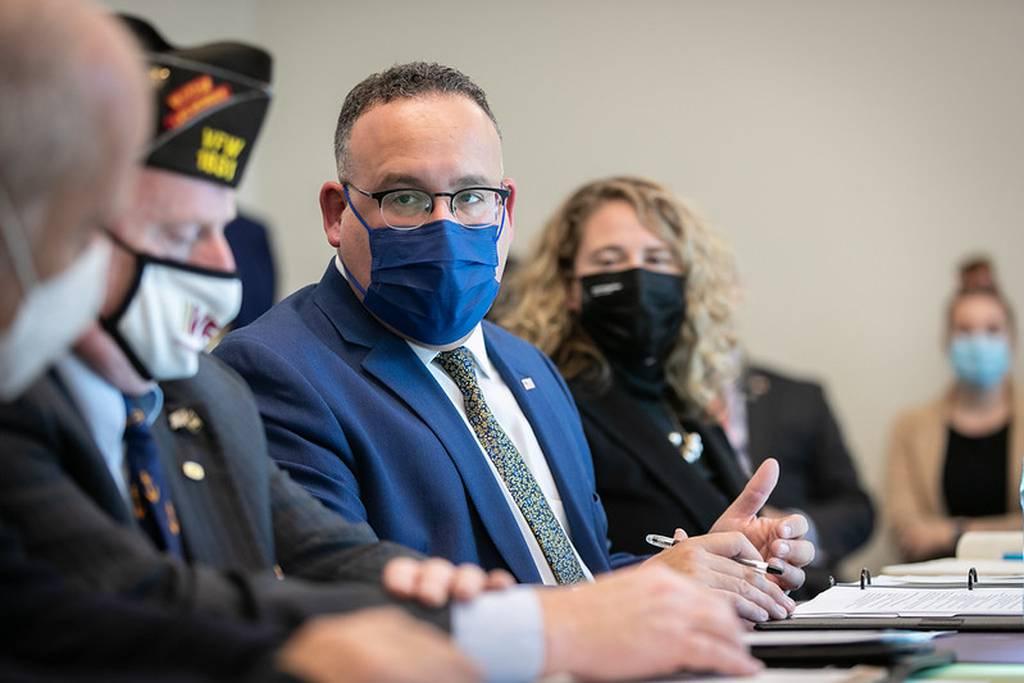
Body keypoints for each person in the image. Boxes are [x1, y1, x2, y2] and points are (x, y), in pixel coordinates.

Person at [0, 19, 760, 683]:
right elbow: (148, 600)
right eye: (405, 198)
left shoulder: (202, 396)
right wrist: (548, 627)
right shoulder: (254, 372)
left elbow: (345, 559)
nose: (224, 273)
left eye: (469, 197)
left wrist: (665, 586)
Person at [215, 63, 812, 623]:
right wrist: (643, 592)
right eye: (406, 198)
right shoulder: (274, 370)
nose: (445, 226)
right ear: (336, 212)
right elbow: (358, 612)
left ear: (506, 210)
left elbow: (577, 575)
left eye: (472, 197)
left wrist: (707, 569)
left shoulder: (529, 366)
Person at [0, 4, 478, 682]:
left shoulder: (208, 390)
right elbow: (133, 600)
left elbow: (325, 547)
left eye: (221, 227)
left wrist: (475, 606)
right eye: (175, 234)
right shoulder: (19, 409)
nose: (223, 271)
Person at [495, 176, 753, 546]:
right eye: (609, 260)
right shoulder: (550, 404)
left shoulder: (684, 400)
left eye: (657, 259)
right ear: (569, 287)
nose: (637, 276)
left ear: (687, 281)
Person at [887, 282, 1023, 561]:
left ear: (1012, 339)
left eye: (992, 330)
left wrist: (955, 532)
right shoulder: (910, 426)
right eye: (965, 330)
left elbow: (931, 535)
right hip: (935, 588)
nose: (978, 343)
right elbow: (908, 532)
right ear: (947, 340)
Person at [718, 359, 875, 595]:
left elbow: (857, 510)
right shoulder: (656, 403)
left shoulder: (797, 398)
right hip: (706, 590)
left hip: (807, 589)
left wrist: (793, 531)